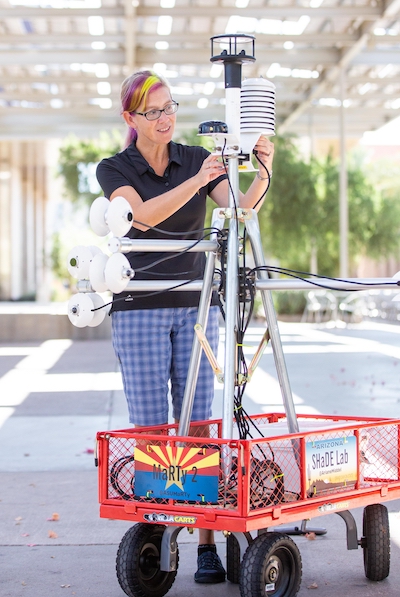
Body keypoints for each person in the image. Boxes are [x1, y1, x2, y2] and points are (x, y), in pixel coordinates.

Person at [96, 70, 274, 584]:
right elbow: (141, 217)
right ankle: (154, 535)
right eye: (152, 111)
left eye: (169, 106)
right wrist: (197, 183)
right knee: (153, 431)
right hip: (140, 308)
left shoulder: (195, 158)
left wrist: (261, 172)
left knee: (197, 426)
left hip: (197, 306)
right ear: (130, 119)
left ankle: (205, 544)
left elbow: (239, 213)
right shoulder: (114, 168)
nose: (165, 118)